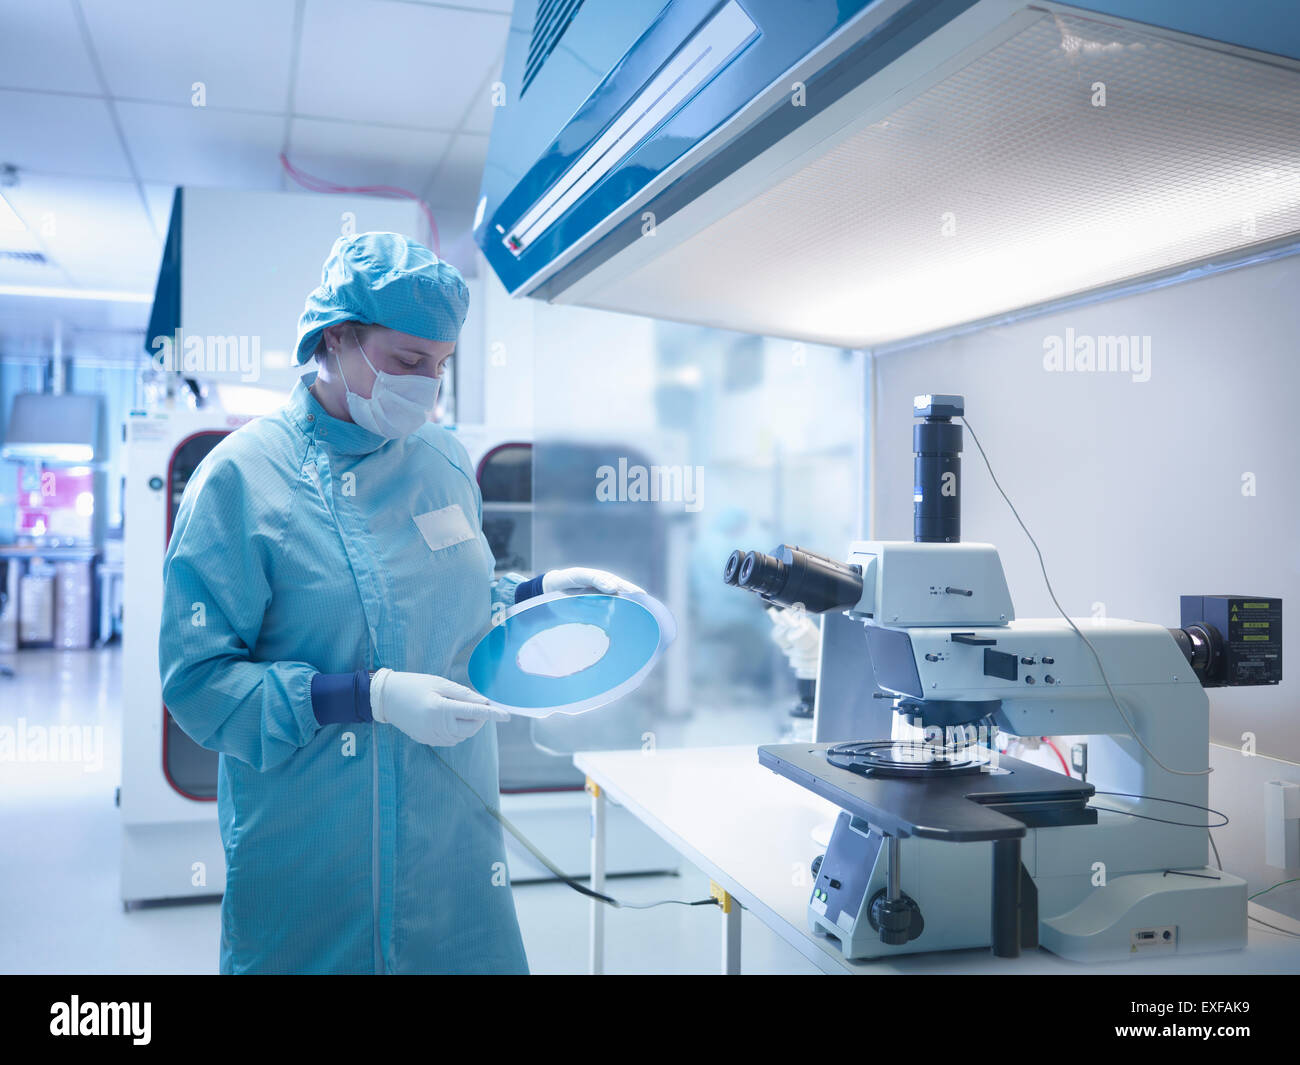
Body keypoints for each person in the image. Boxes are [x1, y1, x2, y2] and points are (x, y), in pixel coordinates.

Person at [159, 231, 640, 974]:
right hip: (312, 842)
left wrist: (540, 594)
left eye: (441, 366)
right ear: (337, 339)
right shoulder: (243, 480)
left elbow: (456, 600)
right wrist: (366, 696)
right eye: (409, 361)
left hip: (451, 835)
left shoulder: (443, 462)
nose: (427, 386)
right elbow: (198, 683)